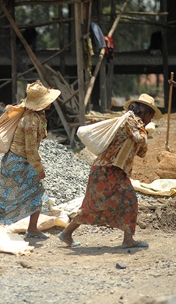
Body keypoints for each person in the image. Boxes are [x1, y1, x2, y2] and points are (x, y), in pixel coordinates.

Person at [58, 94, 161, 249]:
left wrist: (146, 131)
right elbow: (140, 139)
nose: (151, 119)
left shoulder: (136, 124)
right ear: (145, 112)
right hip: (106, 170)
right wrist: (147, 132)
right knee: (93, 205)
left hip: (115, 171)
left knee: (128, 201)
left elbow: (141, 151)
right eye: (151, 115)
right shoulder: (131, 121)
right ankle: (67, 234)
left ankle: (128, 239)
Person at [0, 80, 60, 239]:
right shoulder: (31, 120)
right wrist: (39, 168)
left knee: (31, 193)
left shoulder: (36, 116)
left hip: (17, 160)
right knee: (16, 194)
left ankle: (1, 230)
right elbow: (30, 148)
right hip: (18, 162)